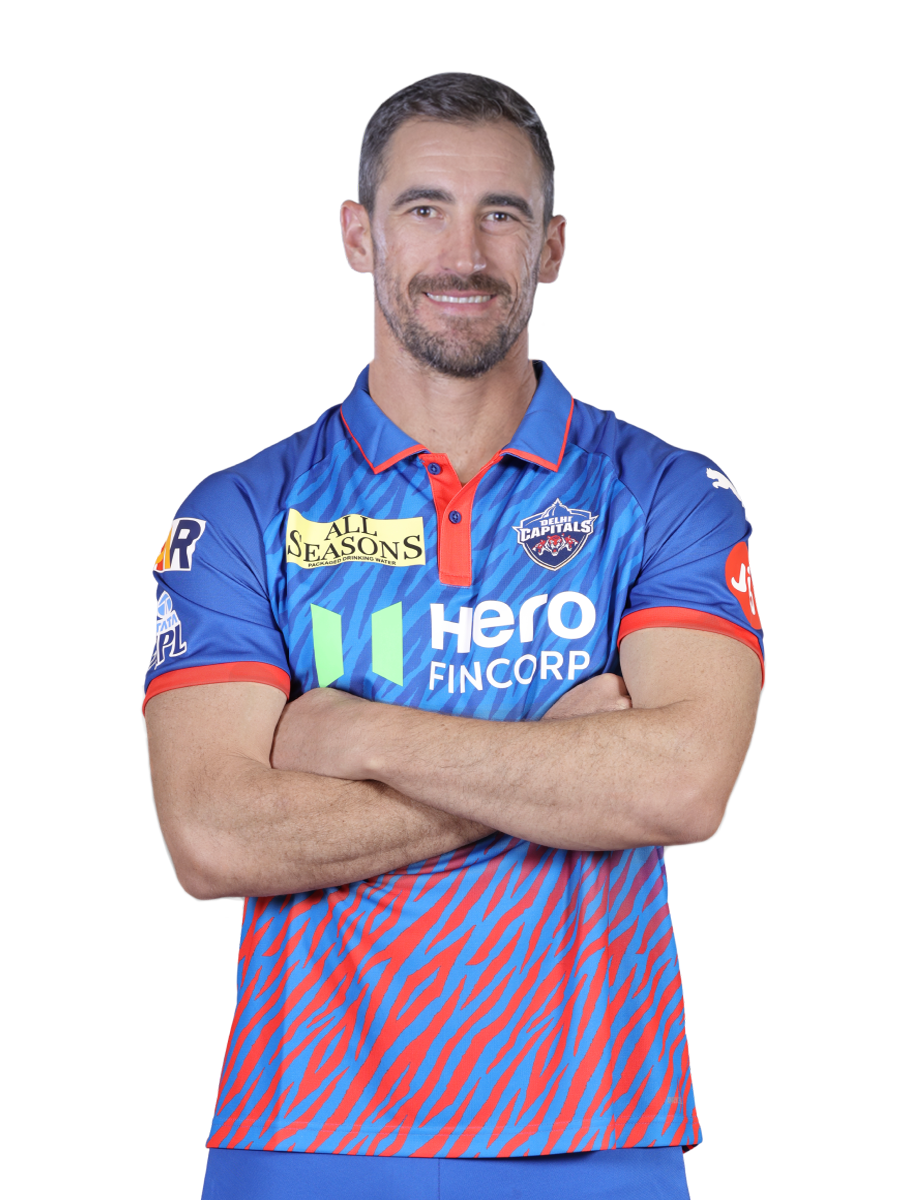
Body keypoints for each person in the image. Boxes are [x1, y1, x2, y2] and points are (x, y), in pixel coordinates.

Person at [144, 71, 764, 1200]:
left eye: (503, 214)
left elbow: (681, 789)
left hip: (603, 1136)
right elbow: (212, 838)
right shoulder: (238, 510)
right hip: (304, 1134)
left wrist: (356, 734)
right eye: (425, 208)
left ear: (554, 247)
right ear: (359, 236)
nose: (464, 254)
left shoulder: (669, 492)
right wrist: (561, 761)